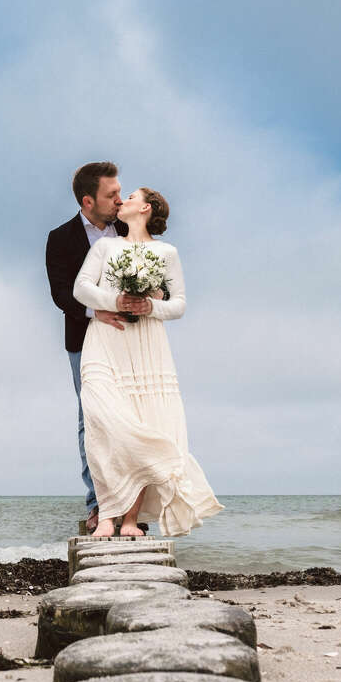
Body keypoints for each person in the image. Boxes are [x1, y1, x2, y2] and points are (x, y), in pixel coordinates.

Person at [73, 187, 224, 537]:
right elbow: (81, 288)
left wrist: (151, 306)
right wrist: (117, 299)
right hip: (105, 339)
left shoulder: (166, 252)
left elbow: (180, 303)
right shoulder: (105, 246)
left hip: (147, 346)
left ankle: (128, 520)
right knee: (103, 422)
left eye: (130, 196)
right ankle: (106, 514)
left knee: (144, 422)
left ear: (145, 207)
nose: (121, 200)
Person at [46, 162, 129, 533]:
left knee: (131, 419)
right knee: (91, 421)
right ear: (87, 200)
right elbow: (60, 294)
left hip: (130, 339)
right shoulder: (60, 238)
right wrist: (95, 312)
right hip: (83, 340)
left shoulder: (128, 229)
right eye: (111, 195)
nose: (119, 200)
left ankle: (131, 508)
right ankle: (98, 505)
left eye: (120, 192)